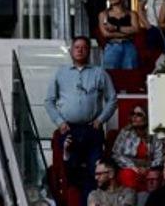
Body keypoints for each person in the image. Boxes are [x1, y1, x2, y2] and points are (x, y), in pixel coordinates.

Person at [44, 36, 117, 206]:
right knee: (71, 172)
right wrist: (59, 121)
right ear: (71, 51)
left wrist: (101, 119)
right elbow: (49, 101)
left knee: (95, 172)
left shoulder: (99, 73)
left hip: (92, 129)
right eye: (76, 47)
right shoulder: (60, 73)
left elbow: (112, 99)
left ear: (89, 51)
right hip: (68, 130)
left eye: (84, 47)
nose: (80, 50)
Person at [111, 106, 162, 191]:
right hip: (129, 168)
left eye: (139, 114)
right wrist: (133, 167)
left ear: (147, 118)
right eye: (132, 114)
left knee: (154, 176)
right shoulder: (125, 132)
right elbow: (116, 154)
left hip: (149, 169)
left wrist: (147, 168)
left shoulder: (154, 134)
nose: (134, 117)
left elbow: (160, 157)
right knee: (128, 174)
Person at [99, 0, 140, 70]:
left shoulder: (132, 14)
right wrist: (128, 32)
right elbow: (106, 34)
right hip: (112, 46)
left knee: (131, 75)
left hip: (129, 46)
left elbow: (136, 30)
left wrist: (115, 28)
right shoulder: (103, 14)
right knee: (110, 75)